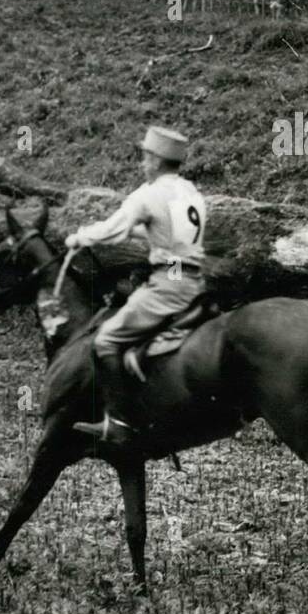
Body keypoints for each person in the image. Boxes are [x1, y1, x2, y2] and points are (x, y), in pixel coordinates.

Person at [66, 126, 208, 448]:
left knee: (105, 339)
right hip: (190, 276)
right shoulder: (190, 193)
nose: (142, 164)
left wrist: (81, 236)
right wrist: (140, 233)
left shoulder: (149, 194)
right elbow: (172, 237)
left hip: (171, 279)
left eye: (145, 157)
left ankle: (119, 422)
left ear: (157, 161)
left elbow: (112, 229)